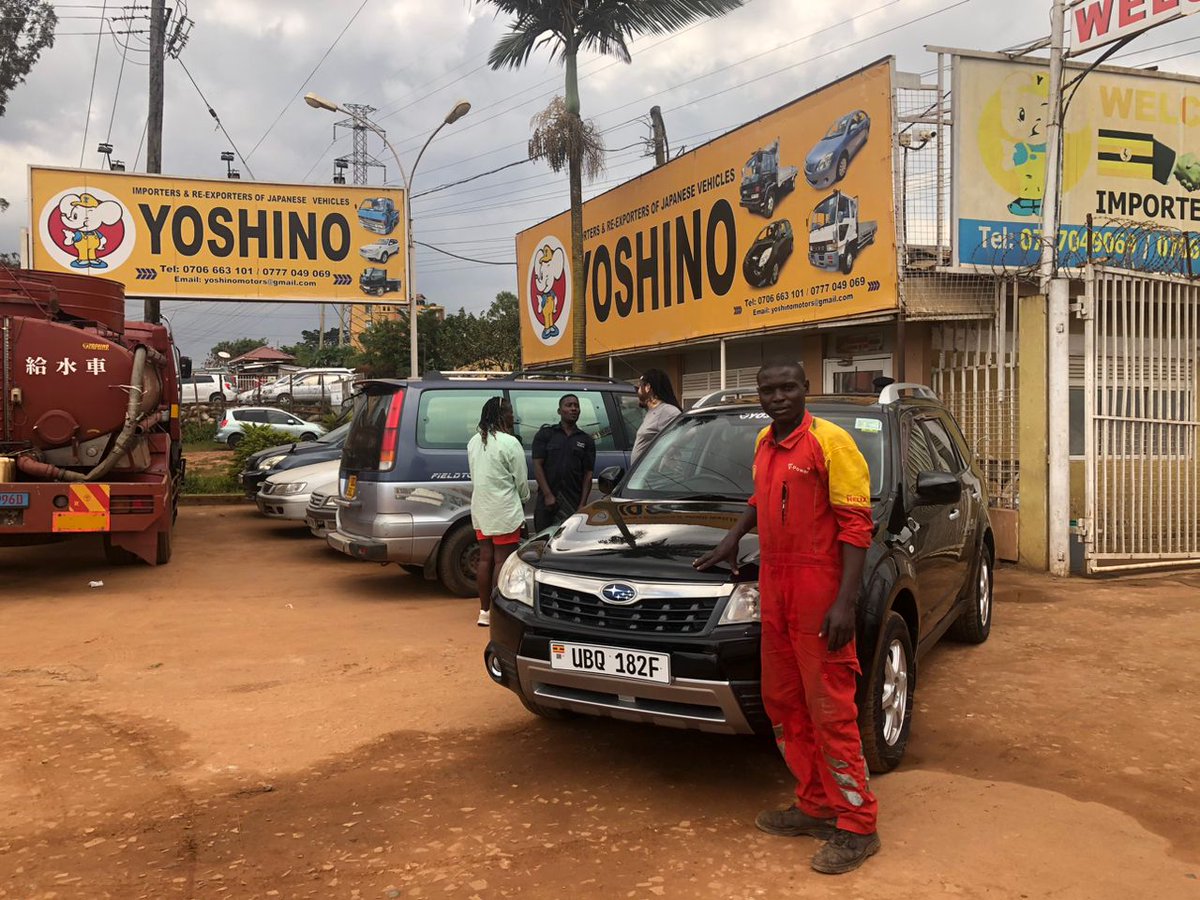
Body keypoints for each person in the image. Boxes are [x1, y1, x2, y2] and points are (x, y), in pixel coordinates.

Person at [694, 361, 880, 875]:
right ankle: (815, 803)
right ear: (759, 394)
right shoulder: (763, 442)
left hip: (819, 588)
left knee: (830, 706)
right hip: (774, 585)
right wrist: (732, 538)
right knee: (783, 700)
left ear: (805, 390)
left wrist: (844, 601)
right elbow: (761, 497)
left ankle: (857, 823)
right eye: (768, 389)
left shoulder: (831, 443)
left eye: (788, 388)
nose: (778, 397)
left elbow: (856, 526)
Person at [467, 397, 530, 628]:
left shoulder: (473, 442)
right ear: (502, 415)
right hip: (504, 509)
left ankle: (484, 611)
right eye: (511, 412)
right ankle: (498, 613)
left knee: (485, 558)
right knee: (502, 560)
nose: (514, 416)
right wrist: (523, 499)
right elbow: (521, 481)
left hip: (481, 508)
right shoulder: (510, 442)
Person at [532, 394, 596, 532]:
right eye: (569, 405)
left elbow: (588, 475)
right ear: (559, 411)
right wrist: (548, 495)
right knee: (542, 543)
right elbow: (537, 465)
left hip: (572, 502)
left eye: (576, 406)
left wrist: (582, 505)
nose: (573, 409)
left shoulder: (586, 440)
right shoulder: (546, 435)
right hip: (547, 503)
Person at [631, 368, 682, 462]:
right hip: (645, 475)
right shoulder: (652, 411)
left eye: (639, 387)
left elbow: (689, 432)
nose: (637, 391)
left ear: (648, 387)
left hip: (657, 475)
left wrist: (667, 455)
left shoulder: (667, 411)